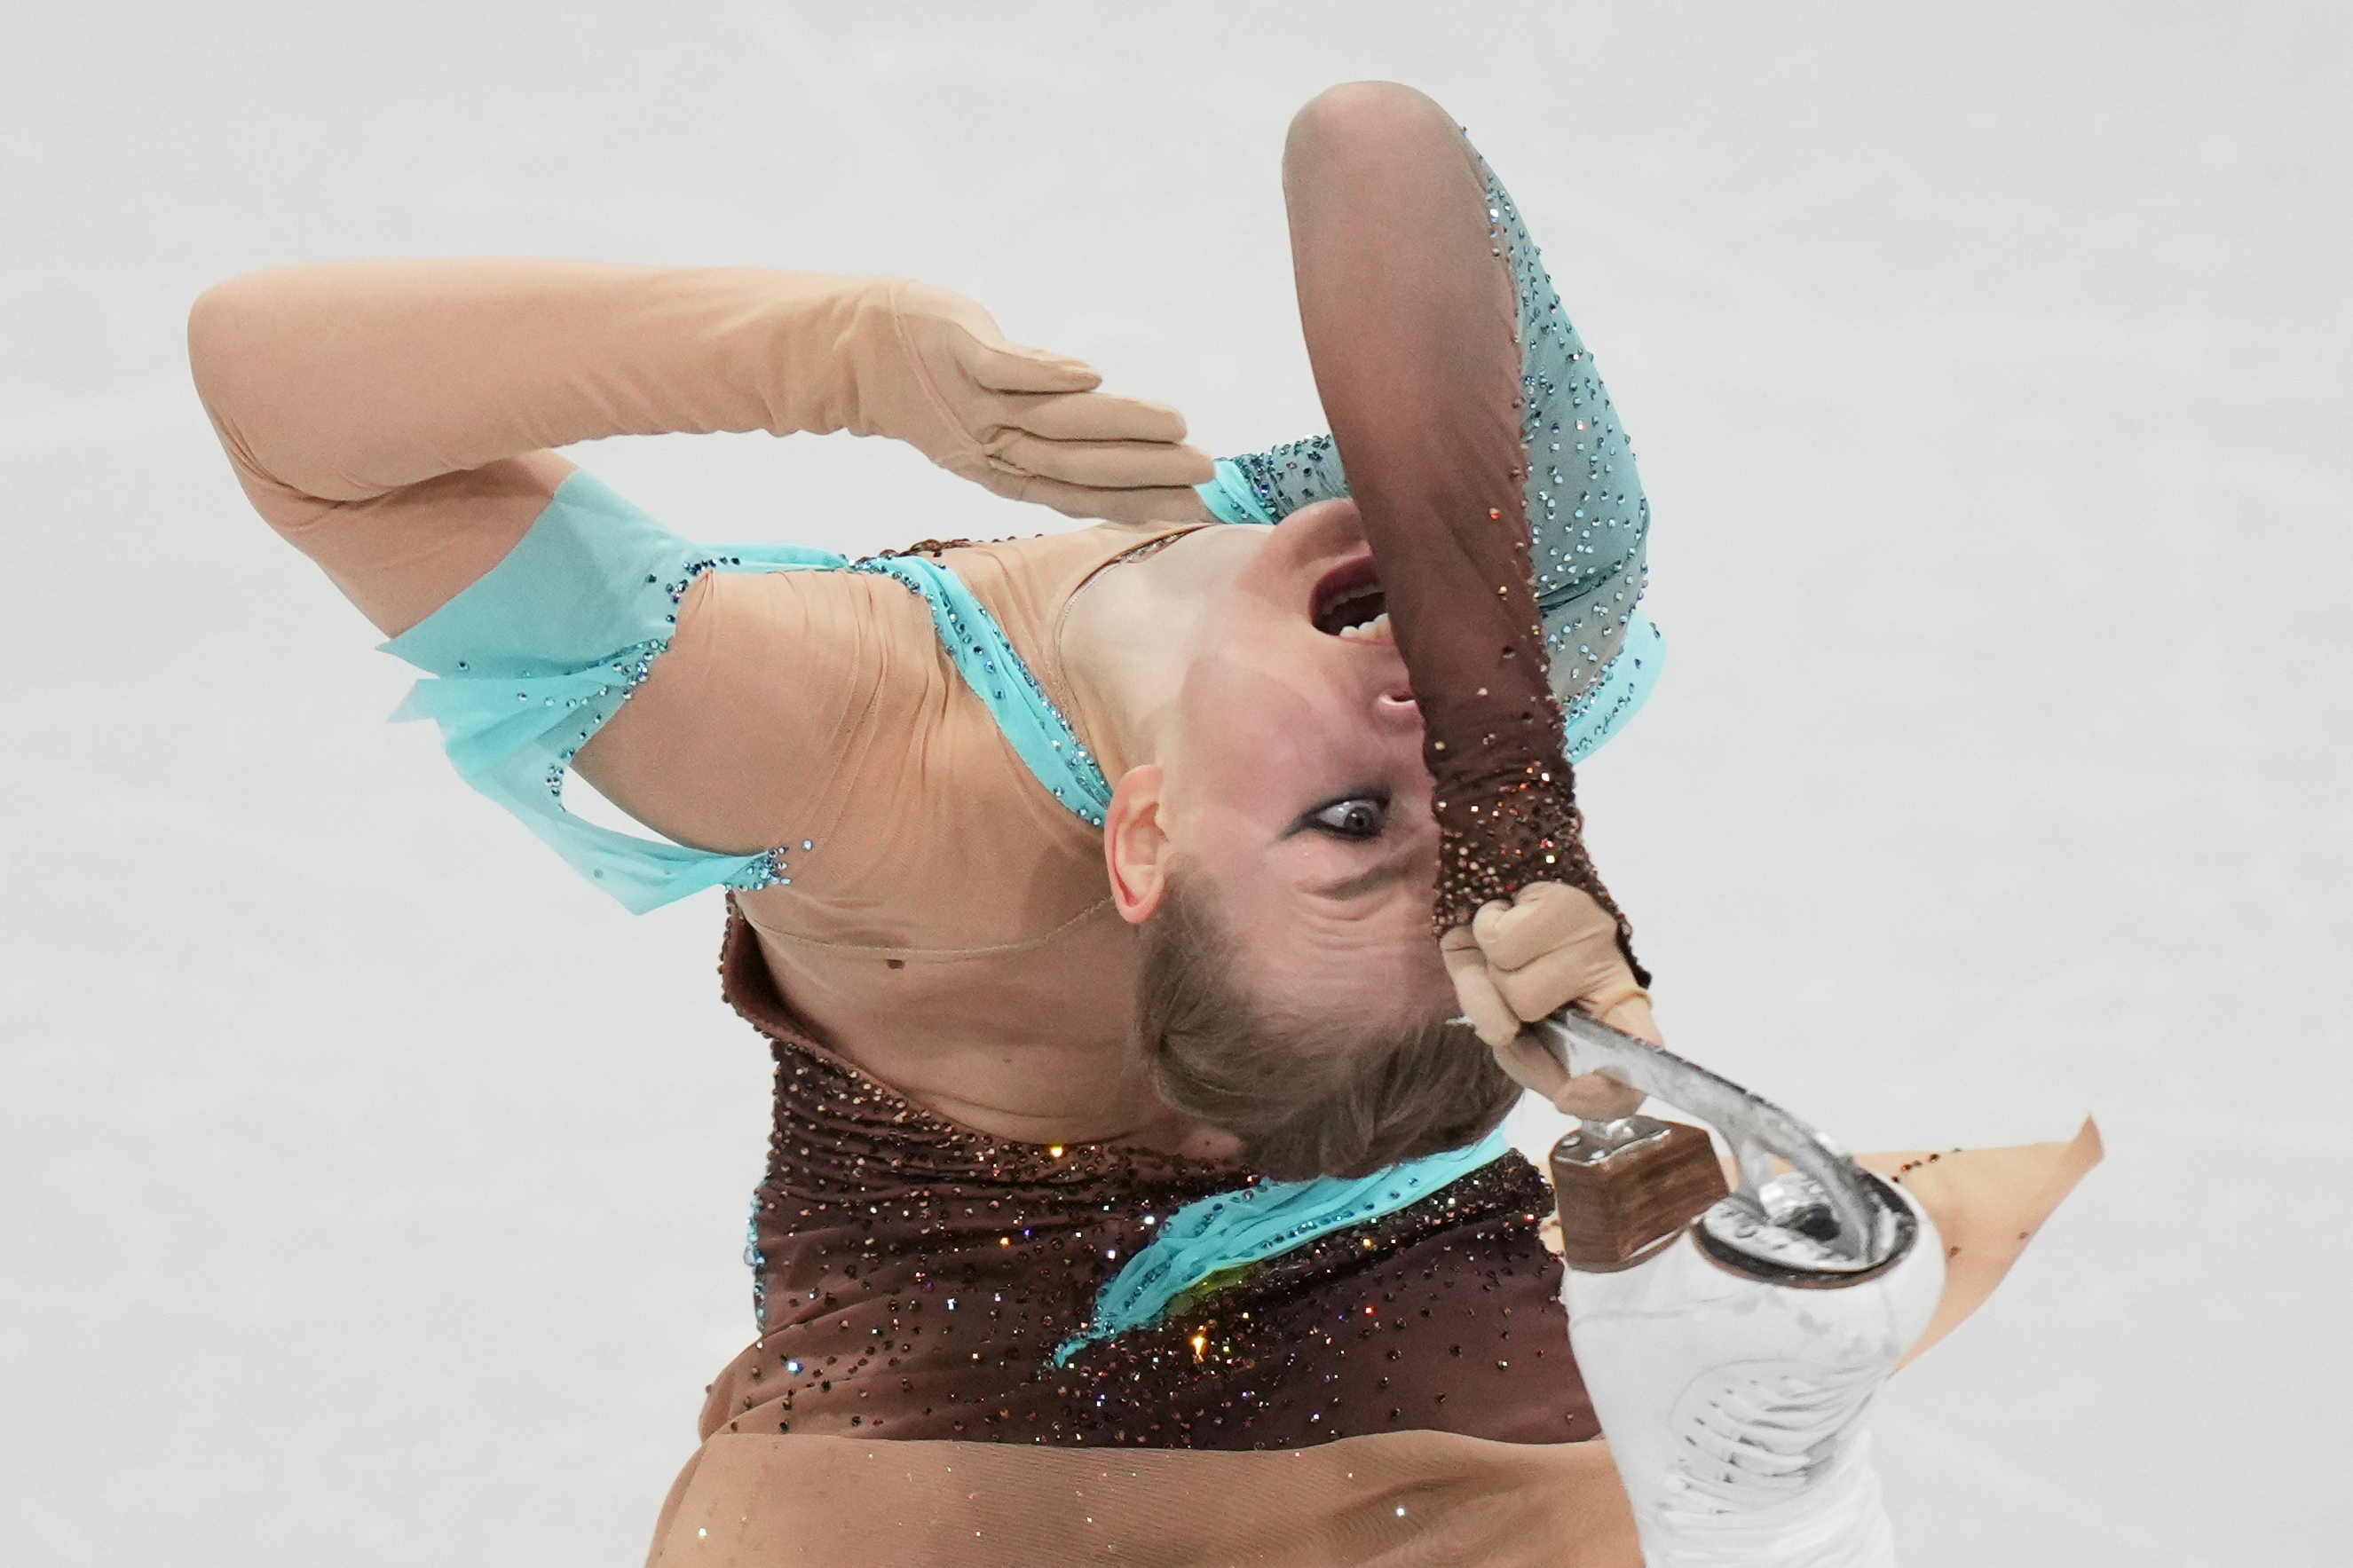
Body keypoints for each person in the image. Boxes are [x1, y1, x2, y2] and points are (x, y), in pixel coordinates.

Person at [191, 81, 2093, 1565]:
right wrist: (1515, 768)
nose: (1425, 730)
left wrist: (820, 359)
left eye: (1366, 814)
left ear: (1146, 831)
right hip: (1079, 1344)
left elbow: (280, 391)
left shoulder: (852, 747)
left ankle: (1761, 1470)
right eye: (1470, 825)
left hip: (1239, 1317)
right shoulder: (1506, 632)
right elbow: (1378, 145)